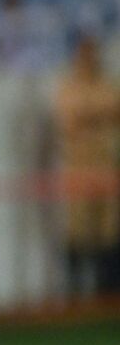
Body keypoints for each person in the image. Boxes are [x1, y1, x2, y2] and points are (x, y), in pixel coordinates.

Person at [53, 34, 120, 296]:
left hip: (107, 166)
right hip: (78, 169)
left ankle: (108, 294)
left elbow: (113, 110)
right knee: (78, 232)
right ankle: (74, 295)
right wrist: (99, 114)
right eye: (85, 52)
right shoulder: (68, 85)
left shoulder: (107, 83)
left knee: (109, 231)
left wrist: (91, 115)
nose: (90, 58)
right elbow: (70, 117)